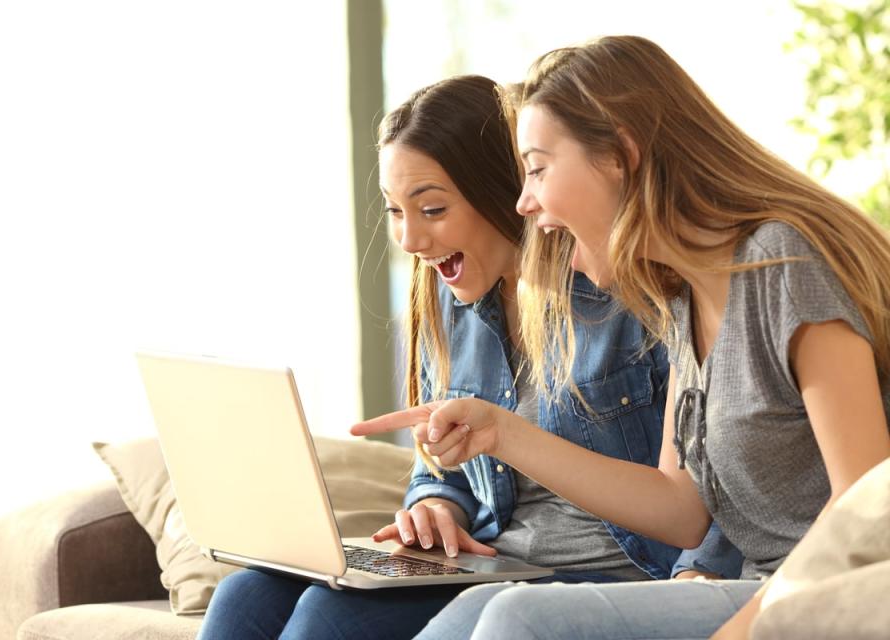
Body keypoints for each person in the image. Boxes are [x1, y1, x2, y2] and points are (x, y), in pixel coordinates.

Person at [352, 36, 890, 639]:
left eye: (536, 169)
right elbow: (680, 512)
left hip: (829, 600)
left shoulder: (781, 263)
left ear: (618, 158)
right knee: (472, 615)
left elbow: (866, 516)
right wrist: (500, 432)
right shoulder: (683, 298)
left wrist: (735, 630)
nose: (524, 203)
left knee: (516, 618)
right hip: (760, 590)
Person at [197, 74, 738, 640]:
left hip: (611, 576)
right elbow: (443, 468)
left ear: (503, 189)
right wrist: (437, 507)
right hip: (494, 564)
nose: (408, 240)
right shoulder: (449, 298)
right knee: (247, 594)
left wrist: (698, 579)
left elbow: (720, 472)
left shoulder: (626, 288)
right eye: (395, 211)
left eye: (431, 209)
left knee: (331, 619)